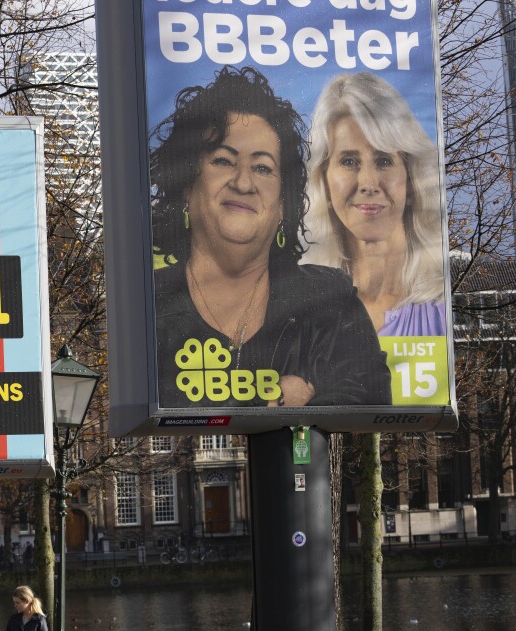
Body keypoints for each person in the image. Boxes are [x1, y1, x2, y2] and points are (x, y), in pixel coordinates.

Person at [150, 66, 390, 408]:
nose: (244, 183)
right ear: (186, 185)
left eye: (262, 167)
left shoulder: (331, 301)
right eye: (223, 160)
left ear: (282, 205)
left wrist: (311, 406)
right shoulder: (148, 306)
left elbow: (371, 397)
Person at [303, 72, 446, 338]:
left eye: (383, 161)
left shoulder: (443, 304)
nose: (369, 183)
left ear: (411, 176)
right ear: (323, 179)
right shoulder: (301, 314)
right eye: (348, 161)